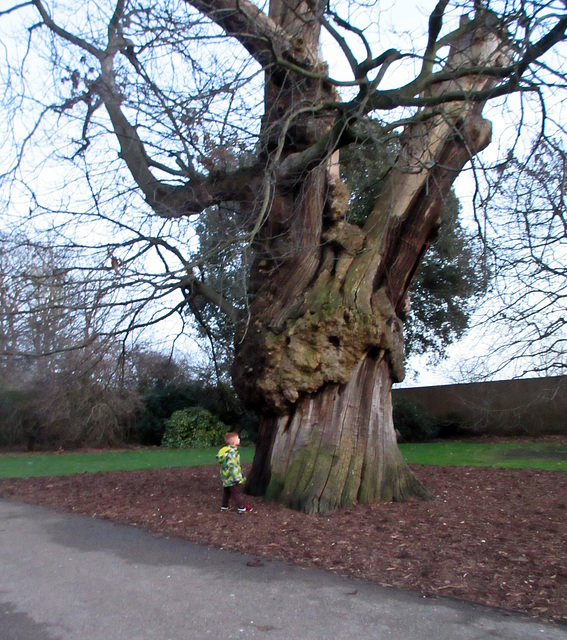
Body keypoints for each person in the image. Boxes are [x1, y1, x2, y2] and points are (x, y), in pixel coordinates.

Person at [216, 432, 252, 513]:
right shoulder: (231, 453)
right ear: (233, 442)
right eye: (238, 438)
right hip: (233, 477)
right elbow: (233, 466)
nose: (239, 439)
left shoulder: (225, 452)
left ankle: (224, 506)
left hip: (225, 477)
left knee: (227, 492)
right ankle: (241, 507)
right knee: (235, 493)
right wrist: (237, 477)